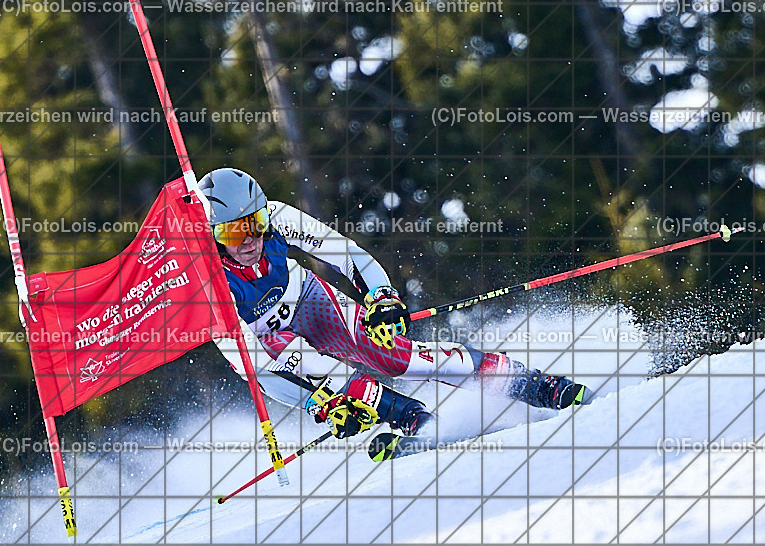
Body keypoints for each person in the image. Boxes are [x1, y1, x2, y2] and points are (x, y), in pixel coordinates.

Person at [203, 168, 592, 442]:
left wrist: (382, 298)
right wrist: (316, 405)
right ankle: (410, 417)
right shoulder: (208, 285)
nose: (249, 238)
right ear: (212, 236)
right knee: (318, 374)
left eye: (254, 222)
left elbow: (347, 255)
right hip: (264, 339)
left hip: (306, 297)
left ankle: (529, 383)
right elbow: (257, 372)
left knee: (396, 357)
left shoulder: (279, 217)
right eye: (233, 231)